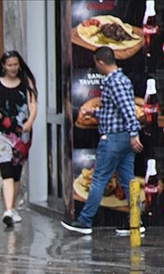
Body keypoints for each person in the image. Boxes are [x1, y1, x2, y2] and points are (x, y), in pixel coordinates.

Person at [62, 46, 144, 236]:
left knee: (99, 178)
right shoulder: (121, 80)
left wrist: (134, 133)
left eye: (95, 63)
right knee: (127, 180)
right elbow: (115, 112)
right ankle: (136, 222)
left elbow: (127, 109)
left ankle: (85, 221)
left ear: (100, 61)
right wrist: (95, 112)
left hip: (114, 138)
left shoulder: (114, 82)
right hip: (122, 136)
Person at [0, 50, 37, 227]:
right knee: (6, 170)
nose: (13, 68)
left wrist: (30, 120)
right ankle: (7, 210)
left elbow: (33, 104)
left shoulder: (26, 82)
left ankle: (12, 208)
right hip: (0, 133)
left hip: (22, 133)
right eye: (9, 65)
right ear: (3, 66)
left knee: (16, 173)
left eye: (15, 64)